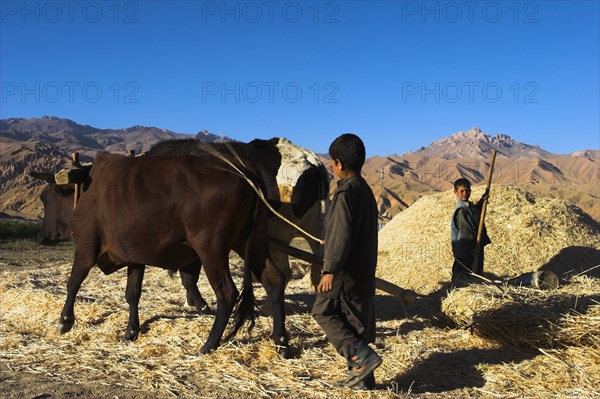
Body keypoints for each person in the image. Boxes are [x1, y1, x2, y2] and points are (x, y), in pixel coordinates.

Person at [311, 133, 381, 390]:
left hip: (344, 271)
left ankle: (363, 357)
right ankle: (364, 380)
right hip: (363, 268)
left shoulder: (344, 194)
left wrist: (329, 270)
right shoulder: (365, 190)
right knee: (353, 321)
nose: (332, 167)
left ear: (339, 163)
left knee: (322, 311)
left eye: (332, 162)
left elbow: (340, 236)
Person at [450, 178, 491, 284]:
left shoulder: (469, 207)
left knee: (475, 275)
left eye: (467, 191)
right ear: (456, 192)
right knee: (464, 278)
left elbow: (476, 212)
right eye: (462, 191)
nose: (465, 193)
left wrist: (482, 201)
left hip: (473, 248)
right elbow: (466, 234)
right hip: (466, 252)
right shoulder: (461, 211)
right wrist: (473, 250)